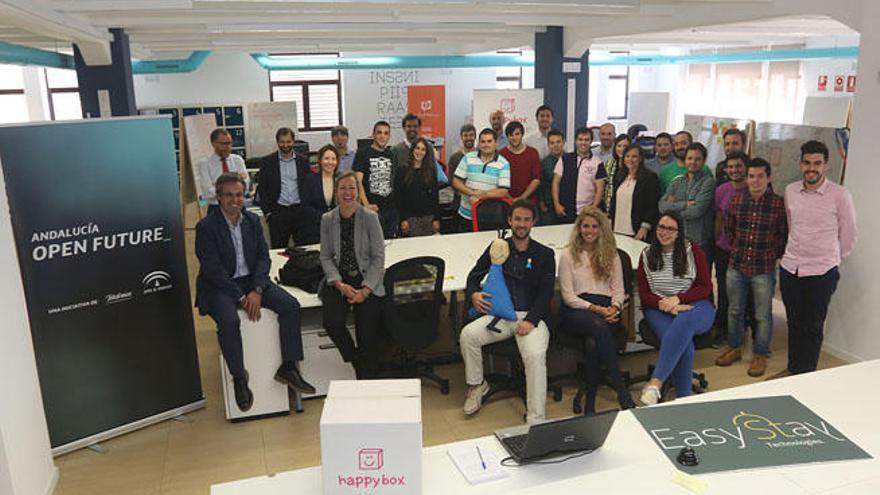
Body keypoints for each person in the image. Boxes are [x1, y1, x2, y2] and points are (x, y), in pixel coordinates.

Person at [195, 174, 315, 412]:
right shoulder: (206, 227)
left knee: (290, 306)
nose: (234, 200)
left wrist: (257, 289)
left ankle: (289, 367)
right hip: (221, 285)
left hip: (253, 281)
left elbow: (263, 257)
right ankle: (239, 377)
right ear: (219, 198)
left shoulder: (252, 221)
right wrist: (241, 297)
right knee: (229, 322)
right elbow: (212, 269)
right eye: (228, 195)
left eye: (239, 195)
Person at [460, 200, 555, 423]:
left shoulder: (544, 254)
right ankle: (477, 386)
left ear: (533, 222)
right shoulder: (497, 247)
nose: (521, 224)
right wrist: (474, 294)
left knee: (534, 356)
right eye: (517, 219)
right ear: (509, 221)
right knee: (468, 335)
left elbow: (546, 294)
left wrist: (531, 320)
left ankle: (536, 418)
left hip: (532, 317)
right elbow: (473, 277)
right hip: (502, 315)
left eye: (526, 220)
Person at [770, 140, 856, 379]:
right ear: (800, 164)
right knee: (794, 322)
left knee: (813, 325)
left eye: (817, 163)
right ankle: (794, 368)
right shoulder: (790, 191)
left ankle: (807, 376)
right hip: (791, 268)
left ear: (825, 166)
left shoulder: (840, 195)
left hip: (822, 270)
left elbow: (848, 234)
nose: (812, 168)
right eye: (807, 162)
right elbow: (790, 225)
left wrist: (833, 259)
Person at [557, 207, 635, 413]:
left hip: (607, 310)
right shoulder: (567, 255)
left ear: (601, 229)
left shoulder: (612, 255)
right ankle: (622, 393)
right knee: (597, 325)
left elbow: (619, 291)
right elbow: (568, 296)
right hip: (576, 311)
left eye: (594, 226)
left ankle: (590, 405)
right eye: (585, 226)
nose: (589, 231)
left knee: (593, 343)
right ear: (579, 228)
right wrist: (598, 310)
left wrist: (615, 307)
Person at [715, 158, 787, 377]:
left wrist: (769, 254)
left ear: (769, 178)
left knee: (763, 314)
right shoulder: (736, 201)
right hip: (737, 265)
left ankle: (760, 353)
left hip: (763, 268)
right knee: (735, 310)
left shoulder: (777, 204)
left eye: (760, 176)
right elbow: (729, 231)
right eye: (752, 176)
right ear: (747, 178)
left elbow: (782, 236)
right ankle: (735, 347)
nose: (755, 181)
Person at [637, 211, 715, 405]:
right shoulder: (646, 255)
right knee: (684, 344)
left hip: (696, 304)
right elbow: (645, 294)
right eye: (661, 227)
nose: (665, 232)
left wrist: (678, 299)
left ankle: (655, 383)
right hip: (658, 309)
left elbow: (705, 287)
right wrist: (665, 305)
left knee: (685, 321)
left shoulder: (692, 250)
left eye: (671, 229)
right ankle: (684, 399)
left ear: (679, 232)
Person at [319, 171, 386, 379]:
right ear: (336, 192)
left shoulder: (370, 217)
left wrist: (365, 291)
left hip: (367, 280)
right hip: (339, 279)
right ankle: (354, 358)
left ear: (358, 191)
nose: (347, 193)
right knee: (332, 323)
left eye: (352, 188)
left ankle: (367, 379)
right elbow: (326, 257)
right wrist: (339, 284)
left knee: (367, 338)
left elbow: (378, 258)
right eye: (343, 188)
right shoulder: (328, 219)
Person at [711, 151, 749, 345]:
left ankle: (739, 331)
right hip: (724, 250)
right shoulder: (721, 190)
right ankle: (722, 329)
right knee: (724, 291)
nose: (734, 170)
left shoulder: (753, 189)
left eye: (738, 166)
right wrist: (718, 240)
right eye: (731, 167)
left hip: (745, 252)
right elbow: (718, 217)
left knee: (742, 293)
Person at [659, 142, 715, 265]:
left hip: (698, 243)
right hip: (676, 241)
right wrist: (683, 205)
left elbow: (696, 211)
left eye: (697, 159)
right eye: (690, 158)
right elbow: (662, 207)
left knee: (698, 281)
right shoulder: (678, 182)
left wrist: (672, 209)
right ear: (685, 160)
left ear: (704, 161)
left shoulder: (708, 182)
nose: (693, 162)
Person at [257, 127, 312, 249]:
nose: (285, 145)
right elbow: (262, 189)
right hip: (278, 213)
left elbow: (308, 186)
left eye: (288, 141)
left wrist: (306, 209)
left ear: (293, 142)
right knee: (278, 250)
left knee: (303, 250)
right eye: (282, 142)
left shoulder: (303, 161)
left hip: (299, 212)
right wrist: (268, 213)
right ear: (277, 142)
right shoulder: (267, 162)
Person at [452, 128, 511, 232]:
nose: (486, 145)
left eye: (489, 141)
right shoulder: (468, 158)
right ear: (479, 143)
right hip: (466, 215)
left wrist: (481, 196)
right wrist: (473, 193)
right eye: (483, 141)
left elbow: (503, 191)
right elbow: (456, 182)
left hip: (490, 217)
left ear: (496, 143)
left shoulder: (503, 163)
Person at [552, 126, 607, 223]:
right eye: (580, 139)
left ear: (591, 141)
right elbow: (555, 183)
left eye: (586, 140)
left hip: (587, 212)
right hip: (566, 211)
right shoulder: (565, 159)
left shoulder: (597, 162)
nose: (583, 143)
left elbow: (600, 189)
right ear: (575, 141)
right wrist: (557, 205)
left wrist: (593, 208)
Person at [353, 120, 398, 239]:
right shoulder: (362, 153)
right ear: (373, 135)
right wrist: (366, 204)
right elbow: (357, 182)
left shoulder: (392, 154)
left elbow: (392, 180)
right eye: (379, 132)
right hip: (371, 209)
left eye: (386, 133)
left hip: (390, 209)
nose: (382, 136)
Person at [608, 144, 660, 242]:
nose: (630, 159)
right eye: (627, 156)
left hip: (637, 231)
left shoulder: (649, 178)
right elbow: (613, 202)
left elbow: (652, 205)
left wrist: (644, 227)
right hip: (617, 229)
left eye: (634, 156)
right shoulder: (620, 176)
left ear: (640, 158)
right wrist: (610, 222)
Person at [395, 137, 441, 237]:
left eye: (423, 149)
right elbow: (399, 198)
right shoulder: (402, 171)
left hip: (428, 218)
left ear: (426, 153)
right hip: (409, 220)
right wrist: (403, 219)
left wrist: (436, 219)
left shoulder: (431, 171)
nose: (419, 152)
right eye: (417, 148)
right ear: (412, 150)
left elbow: (435, 196)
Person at [198, 128, 249, 210]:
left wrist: (218, 185)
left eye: (229, 143)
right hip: (216, 208)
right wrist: (236, 180)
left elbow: (245, 185)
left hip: (238, 206)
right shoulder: (205, 164)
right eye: (223, 144)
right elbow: (208, 193)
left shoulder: (237, 160)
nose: (227, 147)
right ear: (213, 144)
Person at [301, 145, 339, 244]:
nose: (330, 162)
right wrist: (324, 217)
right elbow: (305, 205)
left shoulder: (341, 180)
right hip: (315, 230)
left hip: (338, 229)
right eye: (326, 158)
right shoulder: (310, 179)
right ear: (320, 160)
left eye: (333, 159)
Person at [499, 121, 541, 204]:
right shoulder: (501, 154)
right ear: (507, 137)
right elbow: (498, 180)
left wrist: (522, 198)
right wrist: (510, 199)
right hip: (506, 202)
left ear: (522, 134)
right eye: (511, 135)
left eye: (517, 134)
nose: (514, 138)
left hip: (529, 202)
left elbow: (536, 179)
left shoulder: (533, 152)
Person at [537, 129, 564, 225]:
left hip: (567, 204)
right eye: (552, 143)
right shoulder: (544, 163)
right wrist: (541, 204)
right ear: (548, 145)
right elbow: (540, 184)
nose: (555, 145)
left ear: (563, 143)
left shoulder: (571, 160)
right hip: (549, 206)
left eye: (558, 142)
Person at [602, 134, 631, 212]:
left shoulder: (634, 167)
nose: (622, 149)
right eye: (619, 146)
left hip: (628, 208)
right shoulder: (607, 164)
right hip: (610, 208)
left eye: (625, 146)